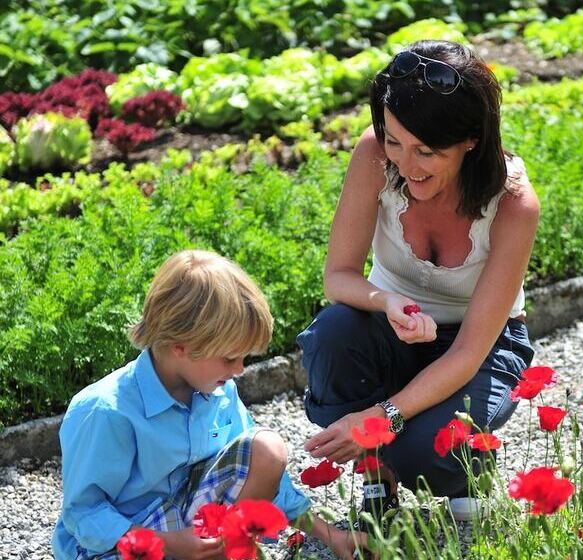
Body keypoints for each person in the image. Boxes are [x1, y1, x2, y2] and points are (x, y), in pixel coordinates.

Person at [297, 40, 539, 525]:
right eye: (394, 141)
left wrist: (380, 417)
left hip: (482, 346)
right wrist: (387, 300)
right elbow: (337, 277)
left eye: (426, 151)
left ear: (471, 139)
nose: (405, 167)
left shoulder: (512, 204)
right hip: (392, 330)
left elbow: (468, 353)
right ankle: (378, 479)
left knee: (425, 454)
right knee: (333, 334)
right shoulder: (373, 157)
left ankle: (464, 468)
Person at [53, 250, 368, 560]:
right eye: (230, 358)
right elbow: (84, 514)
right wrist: (168, 544)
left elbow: (266, 477)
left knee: (267, 449)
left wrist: (330, 535)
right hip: (120, 544)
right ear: (180, 347)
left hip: (187, 528)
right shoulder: (106, 411)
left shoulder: (218, 391)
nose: (239, 369)